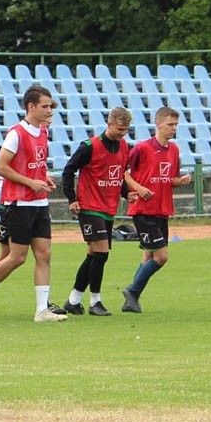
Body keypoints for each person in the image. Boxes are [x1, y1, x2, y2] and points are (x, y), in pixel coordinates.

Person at [0, 85, 67, 322]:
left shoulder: (43, 131)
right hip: (19, 203)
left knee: (44, 255)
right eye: (45, 106)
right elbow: (1, 167)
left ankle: (41, 310)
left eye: (50, 106)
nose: (49, 110)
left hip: (39, 202)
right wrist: (30, 182)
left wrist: (42, 178)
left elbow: (33, 165)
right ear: (31, 107)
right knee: (17, 257)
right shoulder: (16, 134)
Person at [59, 106, 132, 316]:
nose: (122, 134)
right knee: (101, 253)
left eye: (126, 130)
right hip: (89, 206)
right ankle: (95, 302)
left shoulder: (124, 146)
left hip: (108, 207)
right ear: (109, 124)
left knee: (94, 255)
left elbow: (118, 176)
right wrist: (72, 199)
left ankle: (73, 301)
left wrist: (127, 194)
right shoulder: (89, 146)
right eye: (119, 129)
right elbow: (68, 170)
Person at [120, 106, 192, 313]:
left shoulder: (174, 150)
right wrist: (139, 188)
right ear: (158, 124)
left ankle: (131, 301)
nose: (173, 128)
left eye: (175, 125)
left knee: (148, 257)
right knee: (161, 257)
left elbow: (169, 179)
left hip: (162, 209)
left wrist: (180, 181)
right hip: (144, 210)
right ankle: (132, 291)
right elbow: (124, 173)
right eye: (170, 124)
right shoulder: (142, 148)